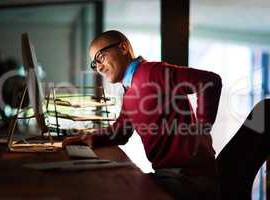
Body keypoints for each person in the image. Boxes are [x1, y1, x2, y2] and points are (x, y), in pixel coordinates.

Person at [62, 30, 222, 200]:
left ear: (123, 48)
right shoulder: (130, 91)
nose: (99, 67)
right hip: (170, 175)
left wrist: (202, 129)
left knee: (114, 190)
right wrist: (90, 138)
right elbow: (121, 131)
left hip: (190, 179)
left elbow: (209, 81)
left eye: (100, 57)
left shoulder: (153, 72)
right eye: (94, 64)